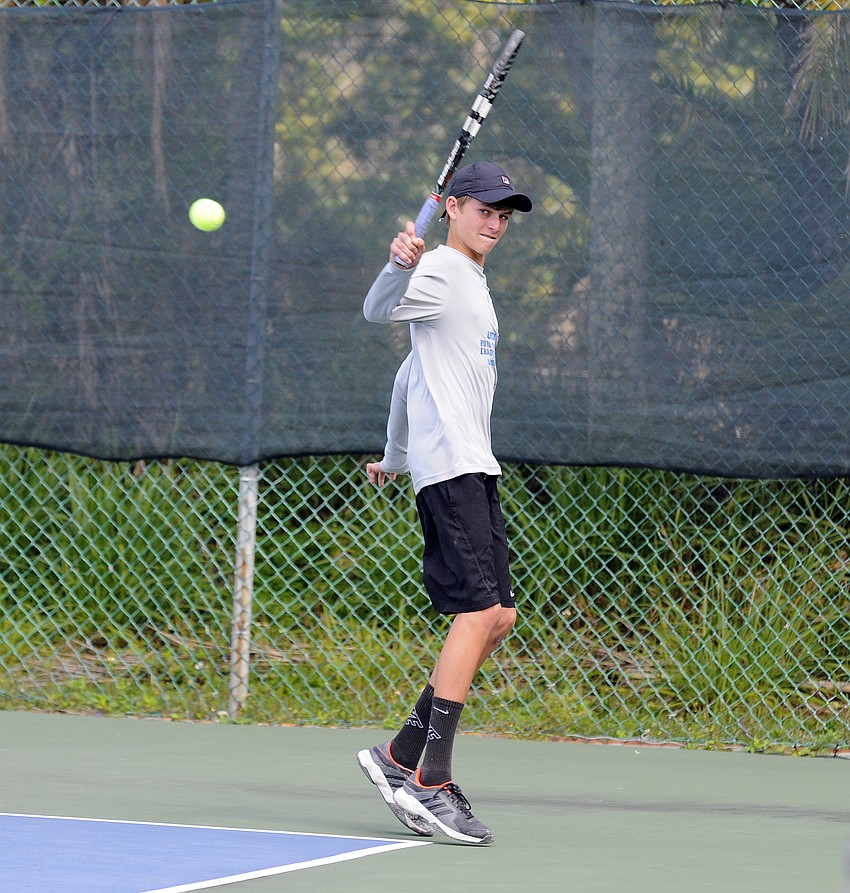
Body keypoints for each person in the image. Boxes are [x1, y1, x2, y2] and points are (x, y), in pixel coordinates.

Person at [355, 161, 532, 845]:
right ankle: (429, 781)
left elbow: (410, 373)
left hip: (471, 465)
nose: (494, 223)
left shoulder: (473, 285)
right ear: (452, 208)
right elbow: (377, 310)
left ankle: (399, 753)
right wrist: (398, 265)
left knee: (499, 617)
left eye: (503, 215)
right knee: (478, 610)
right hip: (452, 469)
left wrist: (395, 454)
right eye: (484, 209)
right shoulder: (438, 272)